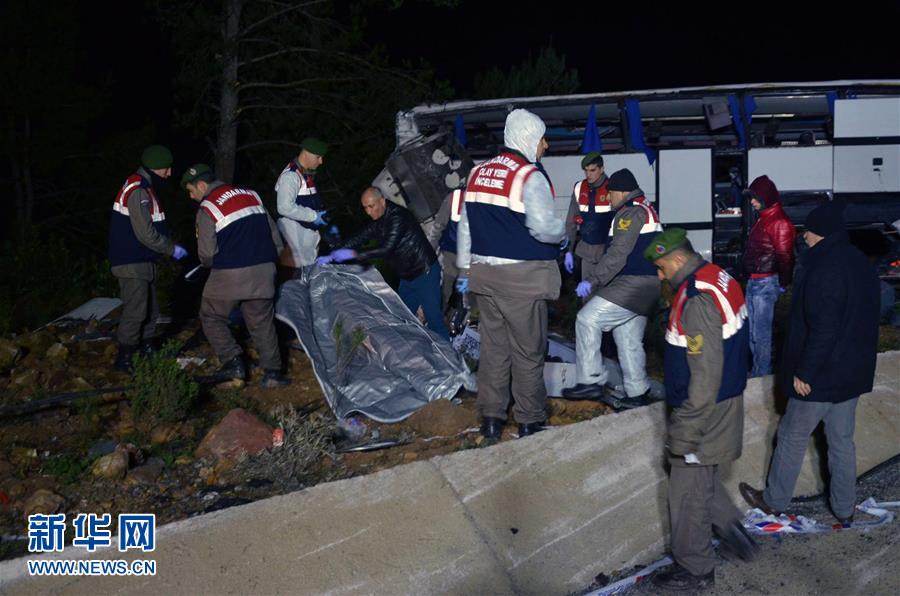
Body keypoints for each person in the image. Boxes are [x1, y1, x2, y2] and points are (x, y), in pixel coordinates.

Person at [739, 201, 880, 525]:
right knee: (842, 441)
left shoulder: (825, 268)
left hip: (821, 375)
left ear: (822, 233)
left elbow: (824, 326)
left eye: (809, 231)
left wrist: (805, 371)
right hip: (850, 373)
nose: (804, 237)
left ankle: (774, 501)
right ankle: (845, 509)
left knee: (791, 435)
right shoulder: (858, 262)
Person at [645, 228, 758, 591]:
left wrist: (686, 430)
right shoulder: (718, 277)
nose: (660, 276)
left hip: (704, 409)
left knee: (686, 491)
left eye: (661, 268)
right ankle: (732, 530)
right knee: (703, 478)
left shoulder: (696, 300)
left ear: (677, 259)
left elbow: (705, 374)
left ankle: (694, 569)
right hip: (726, 399)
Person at [455, 109, 565, 440]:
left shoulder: (477, 173)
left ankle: (491, 419)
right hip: (521, 282)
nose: (545, 146)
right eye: (542, 138)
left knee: (493, 350)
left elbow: (464, 227)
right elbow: (545, 229)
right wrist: (564, 237)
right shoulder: (528, 176)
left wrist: (464, 269)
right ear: (529, 139)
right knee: (528, 353)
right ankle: (530, 421)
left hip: (484, 280)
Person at [181, 164, 289, 387]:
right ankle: (273, 374)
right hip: (265, 270)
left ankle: (233, 361)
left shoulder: (207, 208)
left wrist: (208, 267)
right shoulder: (252, 195)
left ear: (202, 185)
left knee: (210, 316)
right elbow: (275, 237)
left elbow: (207, 255)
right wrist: (270, 262)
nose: (192, 196)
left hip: (231, 274)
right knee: (261, 322)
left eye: (191, 190)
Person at [562, 169, 661, 409]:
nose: (608, 198)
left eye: (611, 193)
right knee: (627, 337)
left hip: (633, 284)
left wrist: (592, 281)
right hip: (649, 287)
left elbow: (617, 255)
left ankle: (590, 380)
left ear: (622, 191)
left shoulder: (630, 213)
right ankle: (637, 392)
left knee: (587, 319)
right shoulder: (646, 209)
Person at [317, 187, 449, 339]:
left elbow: (386, 248)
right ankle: (413, 353)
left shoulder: (398, 217)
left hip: (424, 273)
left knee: (434, 320)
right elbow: (360, 237)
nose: (368, 211)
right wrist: (331, 255)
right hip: (407, 277)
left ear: (382, 201)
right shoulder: (379, 219)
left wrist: (353, 254)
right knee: (402, 317)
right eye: (365, 207)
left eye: (371, 206)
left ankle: (451, 360)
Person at [108, 145, 188, 371]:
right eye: (166, 169)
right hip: (131, 261)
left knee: (151, 309)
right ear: (154, 168)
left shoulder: (144, 187)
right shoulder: (138, 190)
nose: (169, 173)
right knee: (136, 310)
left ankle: (147, 349)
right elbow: (145, 233)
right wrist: (171, 249)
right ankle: (125, 358)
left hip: (142, 261)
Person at [742, 174, 795, 377]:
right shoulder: (765, 218)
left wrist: (783, 284)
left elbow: (786, 257)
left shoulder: (778, 222)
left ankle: (762, 374)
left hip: (765, 284)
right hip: (755, 282)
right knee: (753, 333)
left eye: (756, 198)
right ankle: (758, 371)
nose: (753, 202)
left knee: (761, 334)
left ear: (766, 197)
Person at [275, 137, 329, 269]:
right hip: (295, 245)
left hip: (306, 245)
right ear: (306, 153)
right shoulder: (291, 176)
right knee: (294, 282)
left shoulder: (305, 175)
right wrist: (314, 216)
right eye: (318, 157)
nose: (321, 162)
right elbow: (284, 207)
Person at [563, 152, 613, 284]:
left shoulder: (613, 188)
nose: (588, 174)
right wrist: (568, 251)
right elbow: (570, 223)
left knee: (607, 297)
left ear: (602, 169)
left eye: (593, 170)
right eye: (586, 171)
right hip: (586, 253)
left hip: (607, 253)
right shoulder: (579, 188)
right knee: (587, 297)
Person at [426, 187, 469, 312]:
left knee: (464, 295)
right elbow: (438, 227)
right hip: (449, 257)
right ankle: (436, 322)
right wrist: (428, 253)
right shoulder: (455, 198)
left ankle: (458, 322)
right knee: (444, 292)